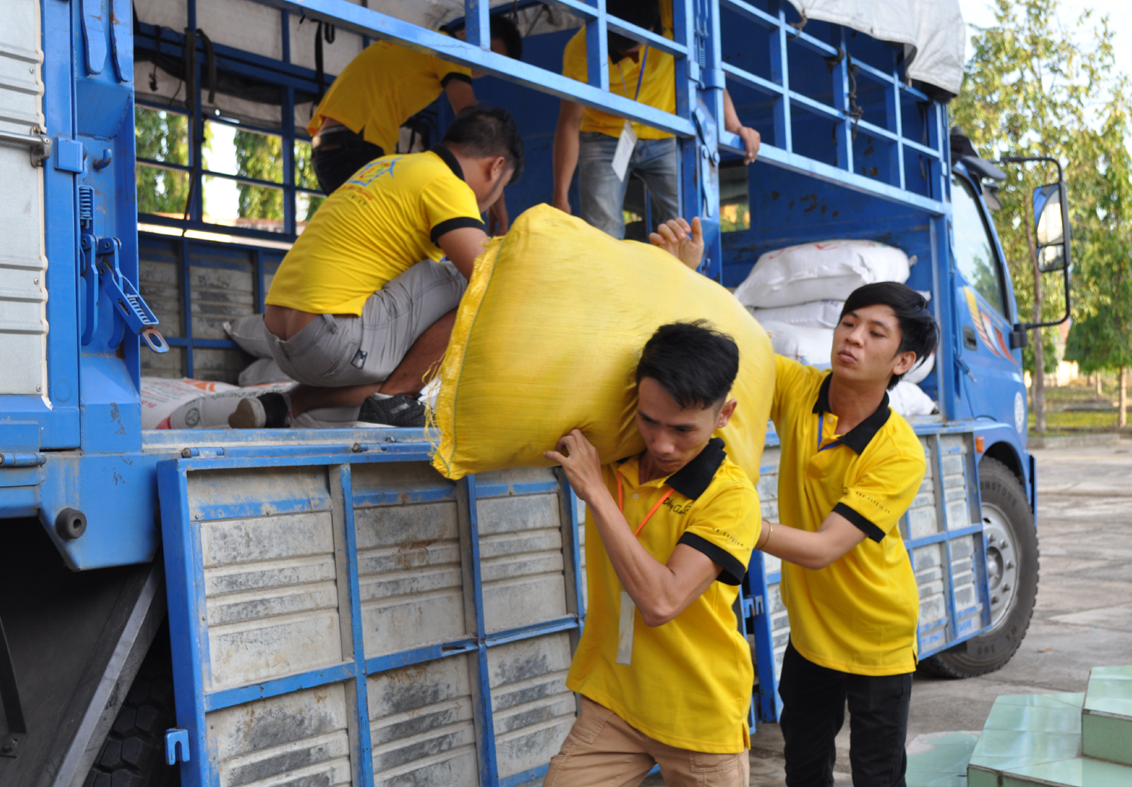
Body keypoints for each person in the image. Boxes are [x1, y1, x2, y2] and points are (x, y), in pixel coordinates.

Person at [652, 221, 938, 787]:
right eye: (848, 323)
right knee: (804, 768)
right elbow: (734, 343)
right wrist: (684, 276)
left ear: (902, 361)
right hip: (810, 635)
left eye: (875, 333)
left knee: (877, 775)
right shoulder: (801, 388)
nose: (853, 338)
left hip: (877, 635)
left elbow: (824, 547)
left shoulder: (899, 452)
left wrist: (737, 524)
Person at [541, 321, 759, 787]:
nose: (662, 445)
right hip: (615, 700)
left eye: (683, 429)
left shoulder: (731, 498)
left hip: (697, 712)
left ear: (724, 414)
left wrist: (596, 493)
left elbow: (662, 602)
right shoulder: (611, 454)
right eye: (648, 421)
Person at [229, 105, 524, 430]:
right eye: (503, 188)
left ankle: (286, 405)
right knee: (480, 280)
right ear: (496, 167)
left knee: (413, 358)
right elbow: (492, 279)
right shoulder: (447, 184)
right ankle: (393, 403)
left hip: (280, 337)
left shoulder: (388, 166)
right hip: (330, 337)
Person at [553, 0, 761, 239]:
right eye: (622, 51)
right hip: (603, 136)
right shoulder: (579, 49)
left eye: (636, 47)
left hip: (666, 131)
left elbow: (706, 70)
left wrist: (734, 125)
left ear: (652, 26)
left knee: (685, 225)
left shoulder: (674, 13)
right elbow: (569, 122)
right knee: (602, 233)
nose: (631, 56)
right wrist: (561, 196)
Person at [308, 16, 523, 232]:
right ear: (469, 32)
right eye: (487, 51)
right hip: (355, 144)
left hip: (329, 147)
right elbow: (480, 131)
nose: (483, 65)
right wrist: (495, 195)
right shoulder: (451, 48)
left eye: (492, 64)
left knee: (378, 234)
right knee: (405, 233)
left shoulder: (421, 41)